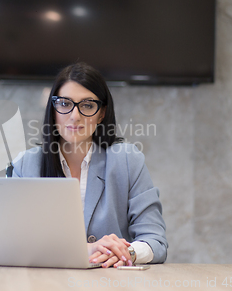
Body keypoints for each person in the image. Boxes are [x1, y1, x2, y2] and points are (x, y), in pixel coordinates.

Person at [12, 62, 167, 268]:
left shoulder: (128, 160)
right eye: (65, 103)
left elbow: (155, 241)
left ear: (101, 113)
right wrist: (85, 250)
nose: (75, 116)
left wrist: (125, 252)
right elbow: (15, 243)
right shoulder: (26, 165)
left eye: (87, 105)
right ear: (53, 109)